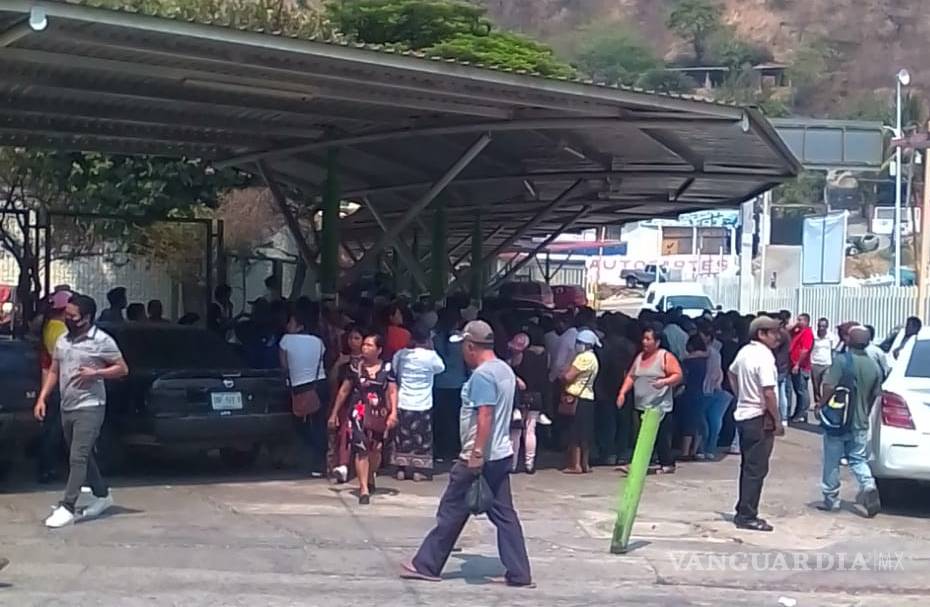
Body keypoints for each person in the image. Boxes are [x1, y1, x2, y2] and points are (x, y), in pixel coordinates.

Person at [402, 320, 533, 587]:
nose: (462, 351)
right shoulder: (504, 370)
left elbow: (485, 414)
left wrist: (476, 453)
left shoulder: (482, 376)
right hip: (500, 453)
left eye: (463, 346)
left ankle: (426, 564)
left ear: (471, 346)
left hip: (480, 456)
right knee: (504, 515)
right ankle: (519, 572)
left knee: (451, 510)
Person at [34, 294, 129, 528]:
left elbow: (122, 368)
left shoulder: (102, 341)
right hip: (67, 405)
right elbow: (54, 370)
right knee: (81, 455)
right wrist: (42, 397)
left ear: (86, 318)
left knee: (77, 456)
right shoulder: (63, 340)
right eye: (66, 314)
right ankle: (102, 494)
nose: (67, 319)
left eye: (73, 316)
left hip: (90, 406)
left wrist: (96, 373)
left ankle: (68, 506)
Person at [816, 325, 882, 517]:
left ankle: (831, 499)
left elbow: (829, 386)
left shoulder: (841, 361)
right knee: (858, 459)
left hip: (838, 421)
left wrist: (821, 404)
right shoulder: (874, 366)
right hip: (860, 422)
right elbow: (874, 395)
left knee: (832, 460)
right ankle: (868, 485)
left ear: (848, 341)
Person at [727, 316, 784, 532]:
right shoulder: (764, 356)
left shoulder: (745, 352)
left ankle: (743, 508)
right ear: (761, 334)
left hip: (744, 415)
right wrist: (777, 420)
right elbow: (769, 392)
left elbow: (731, 373)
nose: (778, 337)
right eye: (774, 332)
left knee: (748, 466)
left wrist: (741, 395)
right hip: (759, 417)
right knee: (756, 469)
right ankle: (747, 515)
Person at [328, 332, 398, 504]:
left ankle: (370, 475)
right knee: (361, 448)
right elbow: (344, 391)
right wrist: (334, 413)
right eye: (364, 344)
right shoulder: (355, 367)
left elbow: (392, 391)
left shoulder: (387, 368)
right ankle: (364, 488)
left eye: (369, 345)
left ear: (379, 350)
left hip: (379, 413)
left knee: (376, 449)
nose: (365, 348)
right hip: (358, 412)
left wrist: (393, 413)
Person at [616, 326, 683, 474]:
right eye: (644, 339)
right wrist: (622, 393)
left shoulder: (665, 356)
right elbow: (631, 376)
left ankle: (666, 463)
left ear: (657, 342)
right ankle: (640, 463)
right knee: (640, 435)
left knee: (660, 437)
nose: (644, 342)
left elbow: (677, 375)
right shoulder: (640, 357)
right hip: (641, 404)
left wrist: (664, 382)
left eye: (648, 339)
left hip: (659, 406)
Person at [392, 324, 445, 481]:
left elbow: (395, 371)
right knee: (421, 437)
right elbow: (441, 368)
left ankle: (401, 469)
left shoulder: (401, 354)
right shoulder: (431, 356)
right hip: (423, 402)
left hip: (403, 400)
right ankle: (417, 470)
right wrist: (432, 348)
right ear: (428, 339)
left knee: (403, 436)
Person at [279, 309, 328, 478]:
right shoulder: (318, 341)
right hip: (319, 384)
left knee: (299, 424)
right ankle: (320, 461)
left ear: (299, 325)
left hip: (300, 386)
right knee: (319, 424)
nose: (287, 325)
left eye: (291, 322)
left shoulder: (286, 340)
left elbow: (284, 366)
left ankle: (309, 456)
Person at [36, 290, 71, 483]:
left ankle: (47, 467)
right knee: (55, 430)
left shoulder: (50, 326)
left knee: (51, 429)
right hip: (60, 384)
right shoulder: (60, 331)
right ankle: (47, 468)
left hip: (52, 383)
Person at [593, 315, 637, 466]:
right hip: (625, 387)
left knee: (607, 422)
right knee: (623, 422)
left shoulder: (602, 345)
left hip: (605, 387)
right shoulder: (630, 346)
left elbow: (599, 368)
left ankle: (608, 453)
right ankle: (622, 452)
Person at [508, 326, 549, 474]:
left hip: (521, 397)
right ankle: (529, 464)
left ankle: (512, 464)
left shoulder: (519, 357)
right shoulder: (544, 356)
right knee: (531, 431)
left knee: (516, 432)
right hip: (536, 396)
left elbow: (511, 372)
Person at [560, 329, 600, 474]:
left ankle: (575, 465)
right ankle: (585, 464)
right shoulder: (594, 358)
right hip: (588, 397)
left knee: (575, 433)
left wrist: (563, 373)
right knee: (586, 433)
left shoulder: (583, 358)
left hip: (577, 398)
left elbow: (568, 376)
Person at [328, 325, 363, 483]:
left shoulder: (368, 362)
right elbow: (333, 382)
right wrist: (338, 363)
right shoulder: (344, 360)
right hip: (345, 403)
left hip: (363, 403)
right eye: (350, 338)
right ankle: (342, 466)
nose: (352, 342)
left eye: (357, 338)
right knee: (344, 434)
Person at [432, 308, 467, 462]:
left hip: (439, 384)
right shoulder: (461, 340)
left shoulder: (435, 339)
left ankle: (439, 451)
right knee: (455, 419)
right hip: (457, 384)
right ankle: (454, 451)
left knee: (439, 419)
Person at [700, 324, 732, 460]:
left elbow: (714, 373)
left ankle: (704, 448)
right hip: (714, 389)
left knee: (707, 421)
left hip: (707, 390)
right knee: (713, 421)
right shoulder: (715, 353)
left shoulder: (708, 353)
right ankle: (709, 448)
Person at [679, 334, 709, 460]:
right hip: (702, 392)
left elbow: (683, 379)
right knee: (698, 422)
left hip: (689, 392)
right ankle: (695, 450)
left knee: (688, 423)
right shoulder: (707, 359)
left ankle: (685, 452)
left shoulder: (687, 361)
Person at [789, 313, 814, 423]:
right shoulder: (798, 331)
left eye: (800, 320)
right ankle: (797, 412)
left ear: (806, 321)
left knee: (802, 390)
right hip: (794, 365)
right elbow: (788, 332)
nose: (798, 322)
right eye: (798, 319)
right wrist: (795, 326)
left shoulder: (807, 333)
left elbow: (805, 350)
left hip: (801, 366)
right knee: (798, 390)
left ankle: (802, 413)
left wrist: (797, 364)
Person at [810, 317, 837, 402]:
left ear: (827, 327)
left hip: (827, 364)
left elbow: (833, 351)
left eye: (823, 326)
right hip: (815, 363)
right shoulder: (814, 335)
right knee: (816, 386)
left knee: (827, 384)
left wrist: (834, 364)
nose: (821, 328)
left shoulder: (831, 336)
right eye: (819, 326)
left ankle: (825, 402)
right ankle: (817, 402)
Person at [772, 316, 792, 428]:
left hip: (778, 365)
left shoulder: (780, 335)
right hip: (783, 365)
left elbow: (774, 347)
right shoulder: (786, 334)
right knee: (781, 391)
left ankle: (780, 417)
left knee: (777, 392)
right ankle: (783, 417)